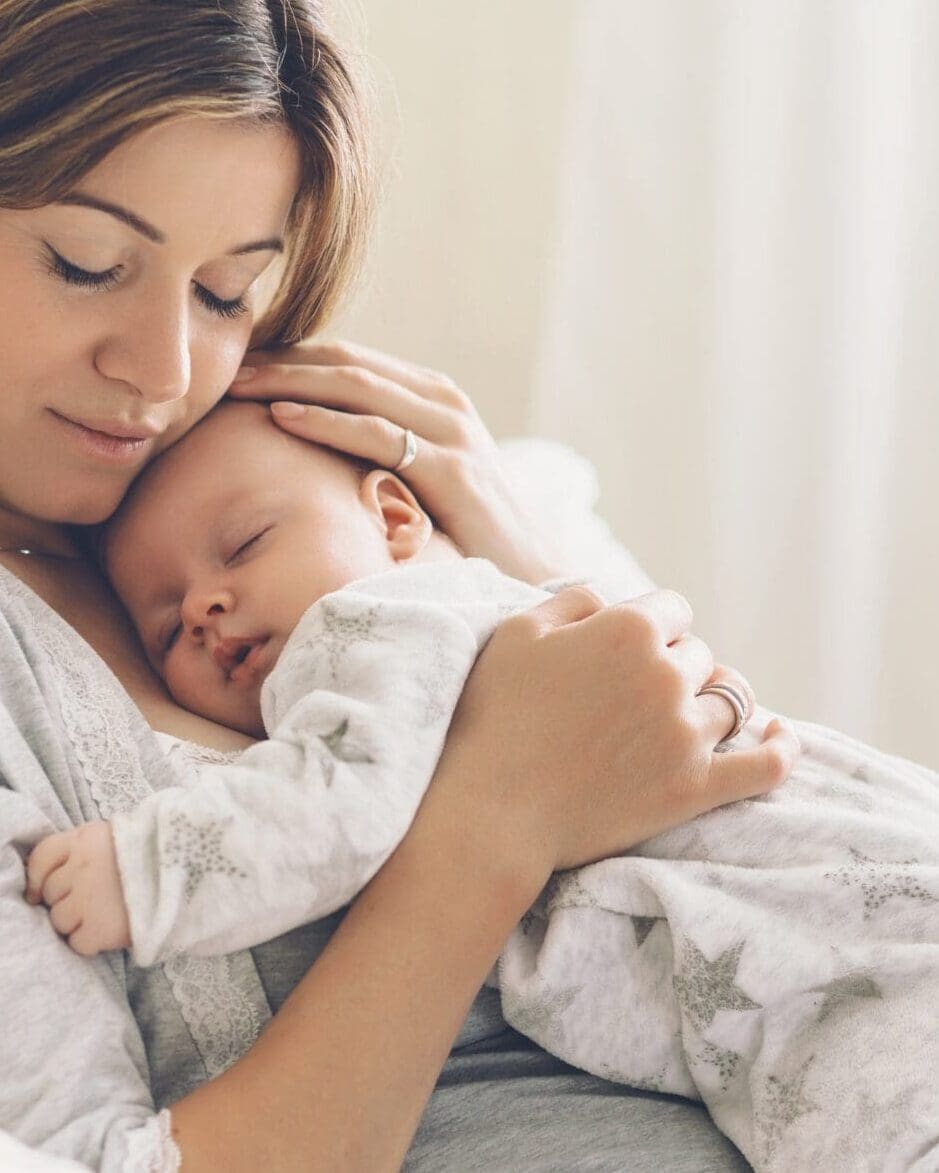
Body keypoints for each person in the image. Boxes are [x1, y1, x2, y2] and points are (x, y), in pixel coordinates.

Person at [0, 2, 800, 1170]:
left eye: (226, 292)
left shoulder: (288, 474)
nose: (164, 370)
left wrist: (512, 550)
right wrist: (495, 818)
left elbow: (725, 803)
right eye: (88, 263)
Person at [28, 400, 939, 1171]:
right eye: (165, 625)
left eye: (244, 543)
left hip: (816, 919)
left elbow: (333, 807)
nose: (203, 606)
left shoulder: (371, 627)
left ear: (394, 519)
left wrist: (146, 871)